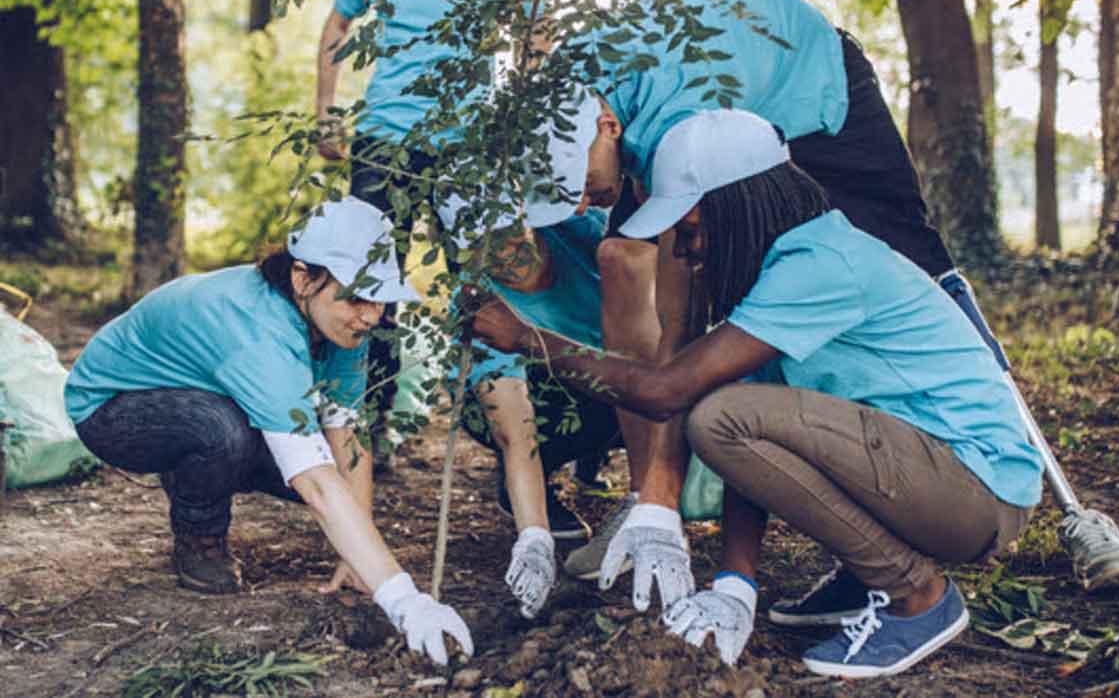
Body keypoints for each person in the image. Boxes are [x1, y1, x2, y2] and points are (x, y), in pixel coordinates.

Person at [528, 0, 1119, 600]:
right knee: (623, 257)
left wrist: (665, 484)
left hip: (810, 80)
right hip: (703, 89)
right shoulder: (564, 97)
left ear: (606, 127)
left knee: (909, 253)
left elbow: (681, 322)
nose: (579, 201)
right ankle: (644, 503)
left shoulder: (682, 119)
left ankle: (1033, 491)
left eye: (578, 184)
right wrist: (663, 513)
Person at [473, 110, 1043, 677]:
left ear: (736, 206)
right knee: (731, 412)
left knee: (719, 415)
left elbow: (668, 393)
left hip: (975, 492)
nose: (684, 253)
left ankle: (917, 597)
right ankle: (868, 573)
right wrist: (734, 585)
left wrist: (528, 339)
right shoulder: (782, 271)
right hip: (935, 480)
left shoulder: (818, 265)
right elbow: (750, 445)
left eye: (690, 231)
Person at [64, 198, 473, 666]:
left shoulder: (340, 326)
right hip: (112, 409)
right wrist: (404, 601)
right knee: (224, 433)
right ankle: (199, 537)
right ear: (303, 278)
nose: (372, 314)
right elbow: (317, 483)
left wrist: (359, 559)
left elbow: (347, 437)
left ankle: (197, 466)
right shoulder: (259, 334)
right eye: (358, 296)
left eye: (380, 298)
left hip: (204, 393)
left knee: (321, 477)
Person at [315, 0, 533, 457]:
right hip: (385, 139)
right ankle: (368, 432)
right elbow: (337, 23)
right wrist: (328, 111)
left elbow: (534, 32)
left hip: (468, 144)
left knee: (486, 287)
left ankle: (508, 447)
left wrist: (522, 120)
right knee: (371, 283)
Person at [458, 210, 622, 617]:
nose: (506, 249)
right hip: (549, 400)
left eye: (512, 231)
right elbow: (518, 430)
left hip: (616, 374)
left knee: (634, 383)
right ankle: (524, 491)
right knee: (585, 400)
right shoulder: (482, 304)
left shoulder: (579, 232)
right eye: (484, 242)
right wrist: (534, 537)